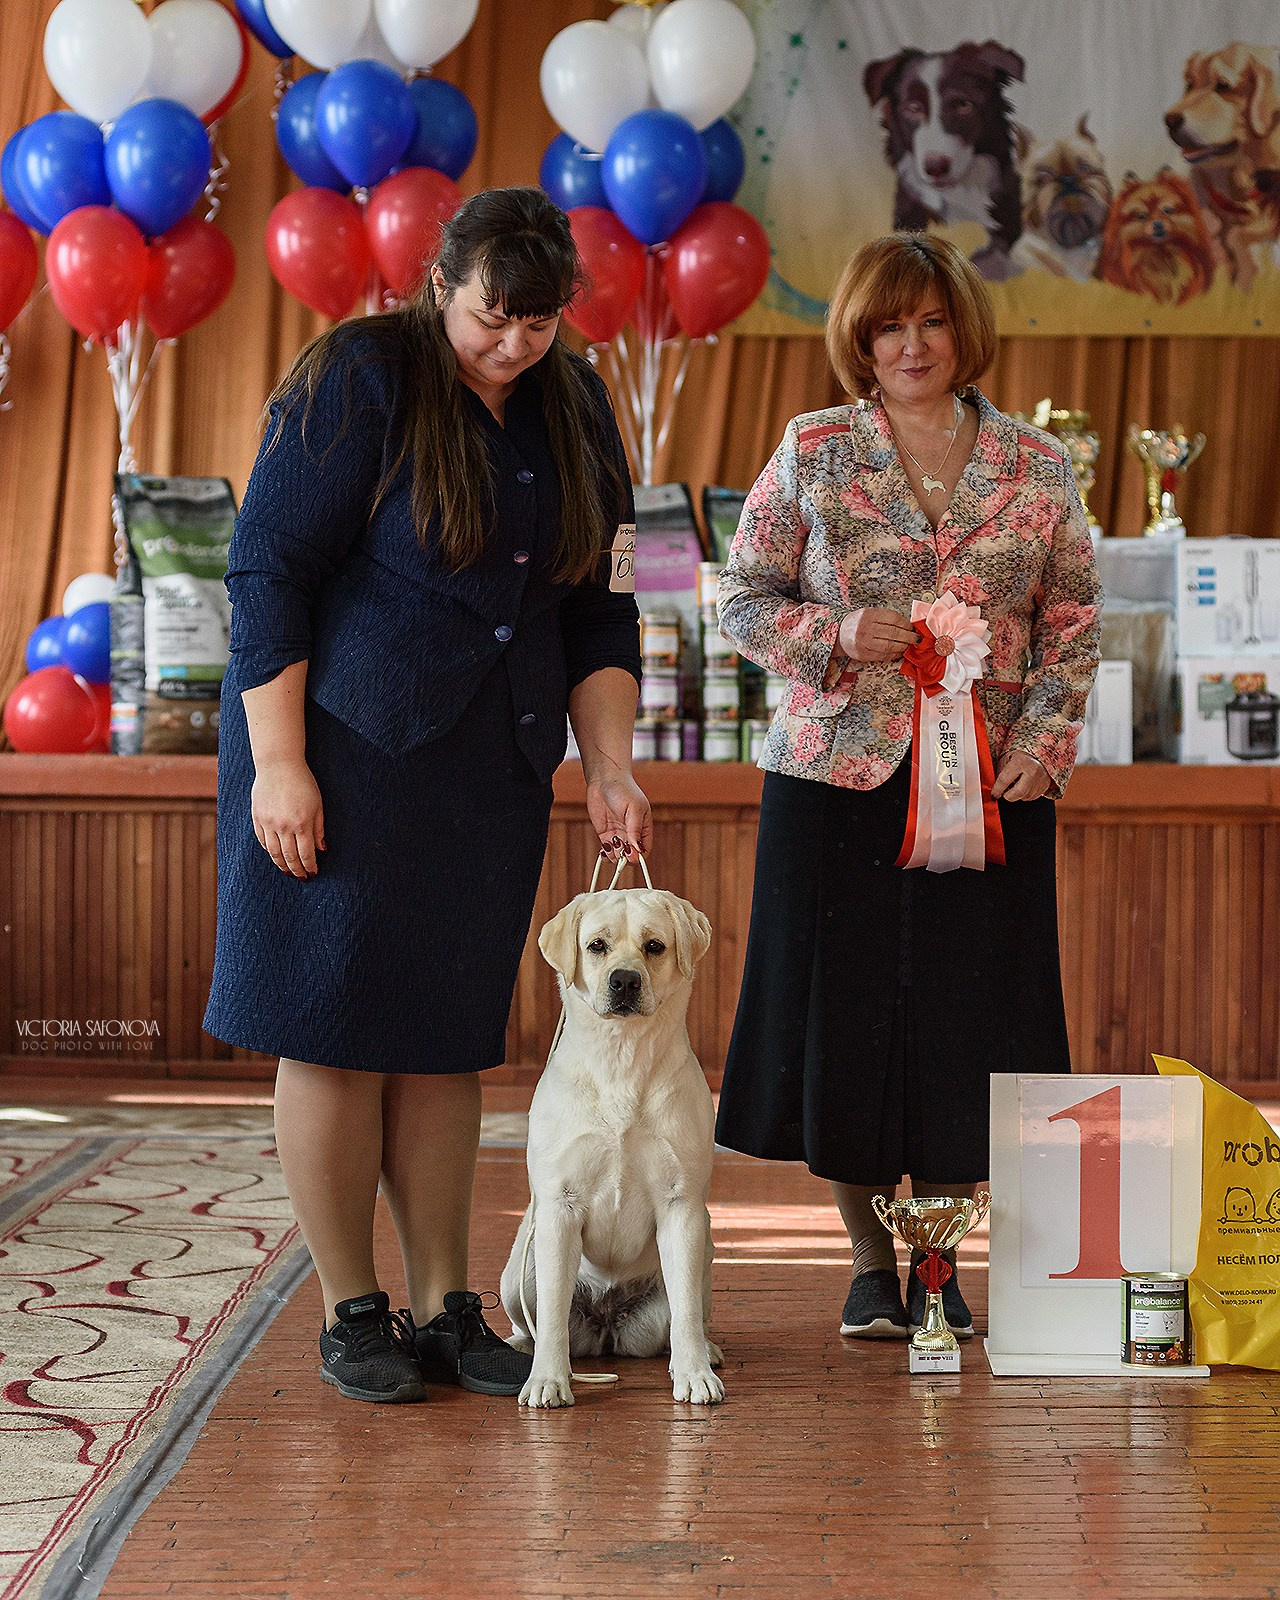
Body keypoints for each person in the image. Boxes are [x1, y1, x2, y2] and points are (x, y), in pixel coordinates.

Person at [203, 188, 650, 1404]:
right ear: (438, 283)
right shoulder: (358, 377)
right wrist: (281, 764)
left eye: (537, 322)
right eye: (488, 319)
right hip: (338, 752)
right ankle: (355, 1308)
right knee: (337, 1030)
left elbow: (604, 603)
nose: (512, 344)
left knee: (448, 1039)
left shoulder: (579, 400)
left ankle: (449, 1301)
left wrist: (608, 762)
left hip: (487, 764)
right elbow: (267, 573)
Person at [714, 232, 1101, 1340]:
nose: (911, 344)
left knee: (971, 1018)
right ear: (858, 337)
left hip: (992, 786)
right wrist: (831, 630)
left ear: (962, 330)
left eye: (931, 321)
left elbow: (1070, 621)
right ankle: (865, 1266)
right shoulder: (813, 447)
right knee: (843, 1023)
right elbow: (737, 595)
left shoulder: (1036, 464)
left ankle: (940, 1262)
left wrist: (1049, 737)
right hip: (836, 778)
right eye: (888, 324)